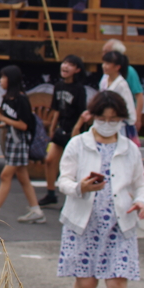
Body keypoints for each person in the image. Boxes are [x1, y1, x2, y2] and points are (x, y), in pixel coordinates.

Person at [57, 91, 144, 288]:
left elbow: (141, 184)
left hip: (120, 224)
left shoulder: (130, 149)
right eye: (103, 118)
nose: (108, 124)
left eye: (114, 119)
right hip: (84, 223)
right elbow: (63, 180)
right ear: (93, 117)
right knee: (86, 284)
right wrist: (80, 187)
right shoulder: (78, 144)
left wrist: (141, 202)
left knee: (118, 283)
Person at [0, 65, 45, 224]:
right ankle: (36, 210)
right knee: (23, 177)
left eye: (3, 77)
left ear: (11, 79)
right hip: (12, 140)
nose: (1, 80)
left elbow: (24, 125)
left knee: (5, 175)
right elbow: (12, 122)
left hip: (19, 141)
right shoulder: (7, 98)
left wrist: (0, 118)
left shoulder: (21, 99)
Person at [39, 55, 87, 207]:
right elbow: (57, 110)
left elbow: (82, 113)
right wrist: (52, 128)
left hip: (74, 131)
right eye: (65, 63)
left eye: (71, 65)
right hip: (61, 128)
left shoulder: (80, 89)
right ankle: (51, 193)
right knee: (49, 160)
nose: (65, 67)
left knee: (72, 166)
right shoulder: (58, 86)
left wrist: (77, 130)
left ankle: (71, 198)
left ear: (77, 70)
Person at [101, 40, 144, 129]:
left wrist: (137, 118)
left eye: (106, 51)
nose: (103, 54)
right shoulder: (106, 76)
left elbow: (139, 95)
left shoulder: (128, 73)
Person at [98, 51, 137, 142]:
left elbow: (128, 106)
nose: (104, 66)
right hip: (104, 122)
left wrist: (129, 122)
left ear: (117, 67)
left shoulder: (121, 85)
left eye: (107, 63)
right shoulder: (103, 81)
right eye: (103, 63)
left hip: (118, 125)